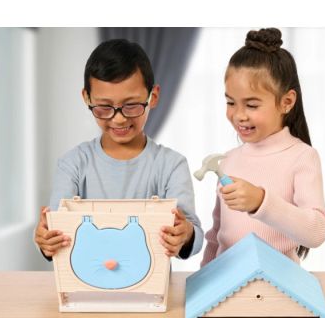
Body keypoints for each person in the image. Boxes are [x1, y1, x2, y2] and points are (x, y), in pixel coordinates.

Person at [35, 38, 203, 260]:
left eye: (131, 105)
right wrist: (47, 240)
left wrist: (186, 233)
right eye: (104, 107)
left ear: (153, 97)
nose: (119, 118)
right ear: (87, 98)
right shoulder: (72, 164)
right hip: (86, 279)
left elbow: (193, 234)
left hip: (150, 280)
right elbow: (56, 230)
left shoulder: (171, 165)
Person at [201, 28, 325, 266]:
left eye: (251, 105)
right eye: (230, 102)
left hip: (276, 284)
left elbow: (317, 231)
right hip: (227, 282)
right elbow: (217, 236)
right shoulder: (228, 161)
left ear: (286, 102)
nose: (238, 115)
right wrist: (203, 279)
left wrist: (261, 202)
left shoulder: (302, 157)